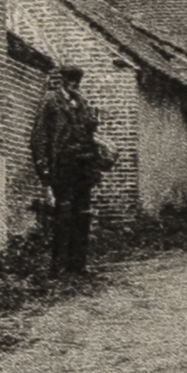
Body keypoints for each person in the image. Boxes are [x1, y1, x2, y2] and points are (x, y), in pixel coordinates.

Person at [30, 64, 112, 272]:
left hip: (83, 164)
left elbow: (89, 132)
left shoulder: (81, 102)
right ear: (62, 79)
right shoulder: (50, 101)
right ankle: (58, 265)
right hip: (63, 162)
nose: (73, 83)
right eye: (69, 78)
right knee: (63, 212)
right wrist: (43, 166)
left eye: (77, 79)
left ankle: (78, 264)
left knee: (82, 213)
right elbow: (39, 136)